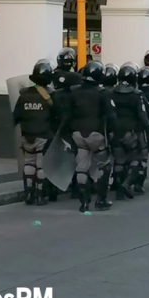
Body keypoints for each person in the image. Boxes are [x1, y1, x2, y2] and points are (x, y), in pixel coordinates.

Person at [67, 61, 116, 212]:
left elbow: (67, 114)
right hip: (96, 134)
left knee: (81, 167)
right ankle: (101, 200)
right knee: (104, 166)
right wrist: (112, 133)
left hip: (78, 135)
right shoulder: (103, 93)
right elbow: (111, 115)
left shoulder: (73, 92)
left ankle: (84, 202)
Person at [13, 60, 58, 206]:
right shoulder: (50, 96)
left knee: (29, 163)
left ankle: (28, 193)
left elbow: (16, 116)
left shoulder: (23, 95)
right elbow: (57, 116)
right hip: (43, 135)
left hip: (27, 136)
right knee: (41, 166)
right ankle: (40, 195)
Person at [109, 64, 149, 201]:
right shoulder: (136, 95)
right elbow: (142, 114)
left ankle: (118, 189)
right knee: (137, 159)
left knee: (119, 161)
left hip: (115, 131)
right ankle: (126, 184)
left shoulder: (111, 93)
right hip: (131, 131)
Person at [52, 48, 83, 200]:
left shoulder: (53, 86)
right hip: (70, 123)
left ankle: (52, 188)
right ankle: (75, 185)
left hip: (56, 123)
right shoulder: (75, 84)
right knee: (73, 154)